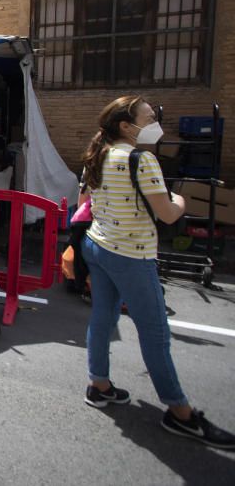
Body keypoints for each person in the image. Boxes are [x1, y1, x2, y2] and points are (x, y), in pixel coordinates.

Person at [80, 95, 234, 449]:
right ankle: (180, 413)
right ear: (126, 125)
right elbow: (167, 214)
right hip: (131, 255)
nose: (155, 123)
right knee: (155, 333)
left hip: (97, 246)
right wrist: (181, 199)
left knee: (102, 317)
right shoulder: (141, 159)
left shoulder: (97, 154)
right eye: (149, 117)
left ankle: (99, 385)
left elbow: (82, 203)